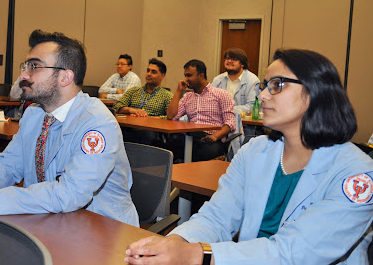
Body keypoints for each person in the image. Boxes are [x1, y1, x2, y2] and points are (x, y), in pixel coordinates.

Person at [125, 48, 373, 264]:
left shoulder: (358, 173)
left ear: (316, 92)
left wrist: (195, 255)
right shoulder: (255, 151)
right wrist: (176, 242)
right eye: (265, 85)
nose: (262, 95)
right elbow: (218, 216)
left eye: (277, 85)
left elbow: (297, 252)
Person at [0, 29, 139, 227]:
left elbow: (70, 193)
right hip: (49, 219)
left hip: (104, 233)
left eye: (34, 66)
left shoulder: (97, 123)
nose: (23, 74)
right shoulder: (34, 115)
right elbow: (7, 166)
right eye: (25, 66)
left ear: (65, 77)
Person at [167, 59, 236, 162]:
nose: (186, 79)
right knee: (167, 148)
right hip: (190, 136)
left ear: (201, 76)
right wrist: (178, 91)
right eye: (185, 75)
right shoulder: (187, 97)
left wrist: (214, 137)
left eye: (189, 75)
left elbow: (230, 123)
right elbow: (171, 116)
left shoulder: (221, 94)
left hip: (211, 138)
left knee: (201, 153)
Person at [212, 48, 259, 112]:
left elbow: (252, 106)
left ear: (242, 64)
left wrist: (228, 109)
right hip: (219, 120)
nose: (229, 61)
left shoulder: (253, 81)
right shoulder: (217, 80)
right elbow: (210, 102)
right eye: (227, 58)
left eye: (234, 59)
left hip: (242, 121)